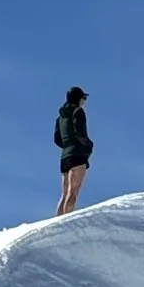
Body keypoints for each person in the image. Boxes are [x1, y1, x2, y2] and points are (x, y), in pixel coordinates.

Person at [52, 85, 92, 215]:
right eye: (83, 98)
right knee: (73, 192)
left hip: (65, 157)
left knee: (64, 194)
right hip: (78, 154)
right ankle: (67, 221)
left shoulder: (61, 117)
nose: (84, 101)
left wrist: (67, 146)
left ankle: (58, 221)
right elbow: (80, 133)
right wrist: (88, 146)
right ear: (78, 99)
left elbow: (57, 139)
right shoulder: (78, 112)